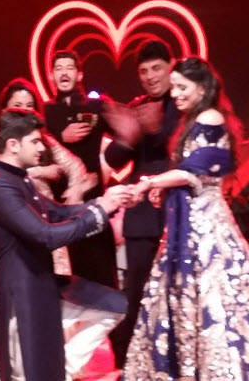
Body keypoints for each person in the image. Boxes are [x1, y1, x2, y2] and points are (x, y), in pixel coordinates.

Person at [123, 57, 249, 380]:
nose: (174, 93)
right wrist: (164, 188)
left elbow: (197, 170)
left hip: (206, 227)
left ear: (202, 88)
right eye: (173, 87)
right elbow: (188, 174)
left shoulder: (209, 117)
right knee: (189, 291)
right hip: (190, 222)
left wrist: (150, 183)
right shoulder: (194, 120)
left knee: (214, 292)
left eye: (181, 87)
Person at [0, 108, 132, 381]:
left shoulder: (18, 179)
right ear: (13, 145)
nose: (42, 148)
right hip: (21, 295)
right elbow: (45, 235)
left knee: (115, 304)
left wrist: (102, 203)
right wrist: (100, 211)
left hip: (43, 286)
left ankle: (65, 369)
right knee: (24, 374)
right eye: (35, 141)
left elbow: (57, 212)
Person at [0, 78, 96, 381]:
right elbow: (1, 165)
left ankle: (52, 363)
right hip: (8, 220)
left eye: (29, 106)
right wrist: (44, 170)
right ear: (5, 111)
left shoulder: (43, 141)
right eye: (17, 106)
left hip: (43, 216)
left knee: (51, 291)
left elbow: (75, 166)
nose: (24, 111)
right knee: (0, 296)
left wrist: (76, 190)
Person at [103, 40, 180, 368]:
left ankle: (175, 360)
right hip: (143, 217)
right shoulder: (138, 107)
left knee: (177, 290)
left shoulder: (185, 102)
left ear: (170, 67)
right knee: (137, 292)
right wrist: (128, 135)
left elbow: (183, 150)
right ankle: (129, 362)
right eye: (144, 71)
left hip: (178, 210)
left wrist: (157, 130)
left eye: (156, 68)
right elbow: (113, 158)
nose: (150, 76)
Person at [43, 50, 121, 355]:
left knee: (104, 278)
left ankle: (121, 355)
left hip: (94, 206)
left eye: (69, 68)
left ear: (79, 75)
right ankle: (63, 355)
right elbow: (35, 151)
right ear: (51, 75)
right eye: (58, 68)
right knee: (65, 280)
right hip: (57, 209)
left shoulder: (95, 106)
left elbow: (124, 140)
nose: (63, 73)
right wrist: (58, 137)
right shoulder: (45, 112)